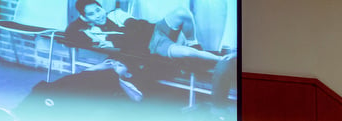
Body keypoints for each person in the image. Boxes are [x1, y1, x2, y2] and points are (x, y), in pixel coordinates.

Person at [66, 0, 234, 64]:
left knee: (182, 12)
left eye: (98, 10)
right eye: (91, 14)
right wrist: (84, 21)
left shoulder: (115, 14)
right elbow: (70, 33)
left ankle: (193, 42)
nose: (98, 15)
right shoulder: (94, 30)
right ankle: (221, 59)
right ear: (84, 17)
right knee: (187, 53)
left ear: (102, 8)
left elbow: (137, 29)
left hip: (156, 28)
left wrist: (115, 40)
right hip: (153, 44)